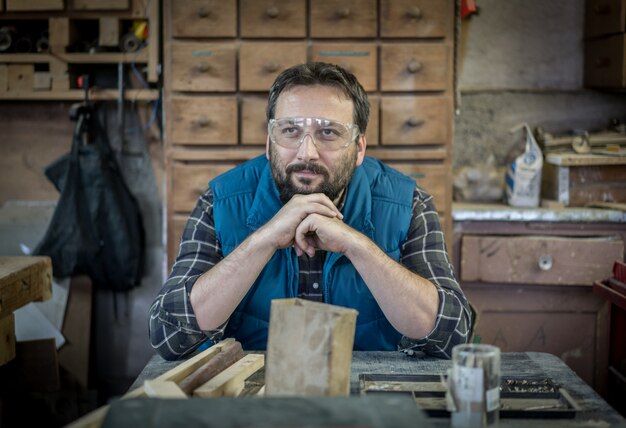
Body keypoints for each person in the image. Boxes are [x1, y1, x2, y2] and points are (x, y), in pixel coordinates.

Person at [149, 62, 472, 360]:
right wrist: (264, 240)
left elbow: (451, 335)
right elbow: (171, 335)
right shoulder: (220, 202)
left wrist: (356, 246)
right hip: (253, 398)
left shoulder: (408, 203)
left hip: (371, 399)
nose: (307, 153)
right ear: (269, 142)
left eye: (328, 132)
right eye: (290, 131)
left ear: (359, 147)